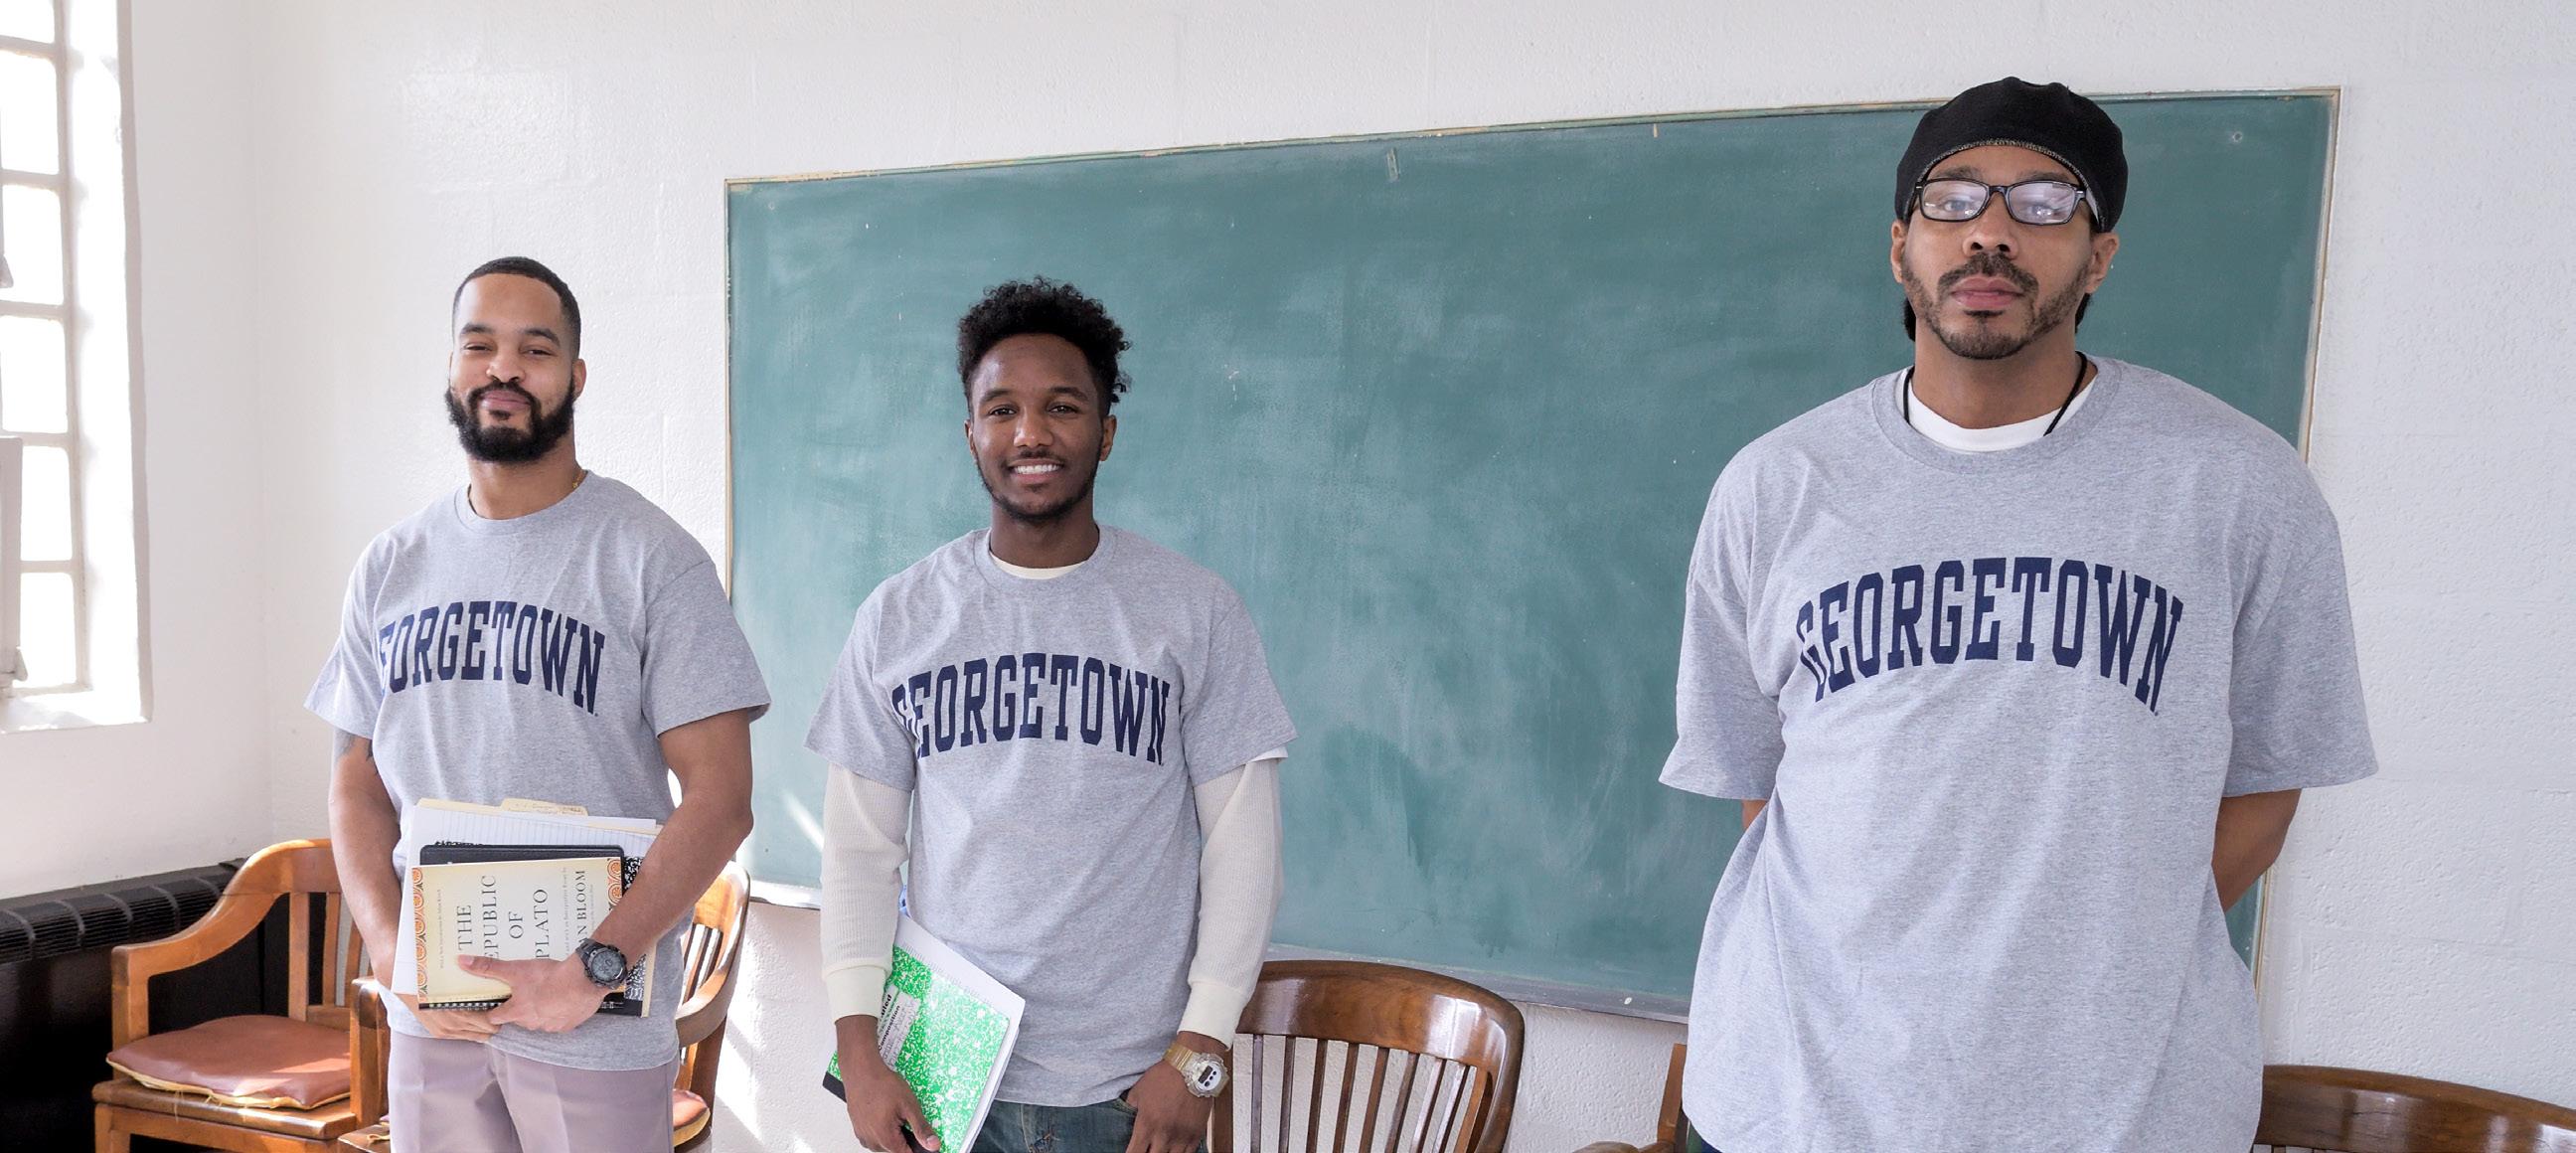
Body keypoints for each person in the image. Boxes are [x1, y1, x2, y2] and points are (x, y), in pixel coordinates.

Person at [1659, 79, 2377, 1152]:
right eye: (1952, 199)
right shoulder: (1774, 488)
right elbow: (1767, 787)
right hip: (1796, 1105)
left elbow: (2270, 787)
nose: (1990, 231)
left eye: (2045, 203)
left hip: (2120, 1116)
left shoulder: (2240, 486)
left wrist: (2095, 953)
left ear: (2100, 256)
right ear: (1899, 246)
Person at [812, 277, 1295, 1153]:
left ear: (1106, 432)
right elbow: (858, 850)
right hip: (943, 1080)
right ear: (971, 433)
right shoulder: (899, 617)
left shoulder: (1195, 612)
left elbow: (1243, 847)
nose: (1030, 433)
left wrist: (1201, 1052)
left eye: (1062, 407)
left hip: (1128, 1090)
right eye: (1002, 410)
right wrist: (860, 1053)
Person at [309, 256, 770, 1152]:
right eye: (479, 345)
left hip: (591, 1022)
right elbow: (355, 784)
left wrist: (594, 967)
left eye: (536, 349)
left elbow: (722, 799)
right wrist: (389, 949)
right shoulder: (391, 565)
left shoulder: (650, 558)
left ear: (576, 376)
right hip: (435, 1020)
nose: (504, 369)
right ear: (452, 367)